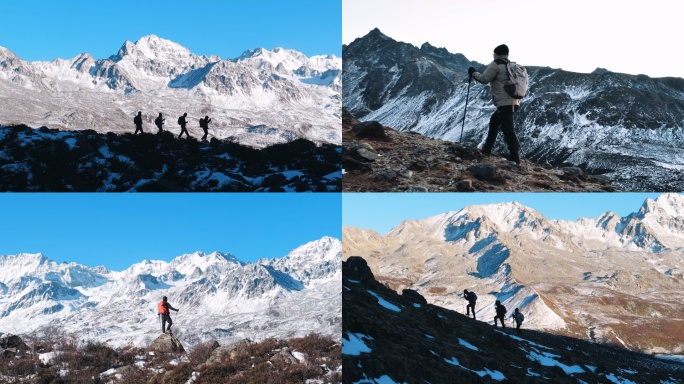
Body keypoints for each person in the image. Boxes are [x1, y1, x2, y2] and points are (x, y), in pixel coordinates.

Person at [468, 44, 522, 164]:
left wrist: (473, 73)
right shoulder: (511, 65)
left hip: (505, 102)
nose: (493, 55)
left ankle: (514, 157)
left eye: (493, 53)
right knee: (494, 122)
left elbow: (484, 79)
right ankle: (487, 149)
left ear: (496, 53)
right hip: (515, 101)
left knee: (508, 129)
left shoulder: (496, 64)